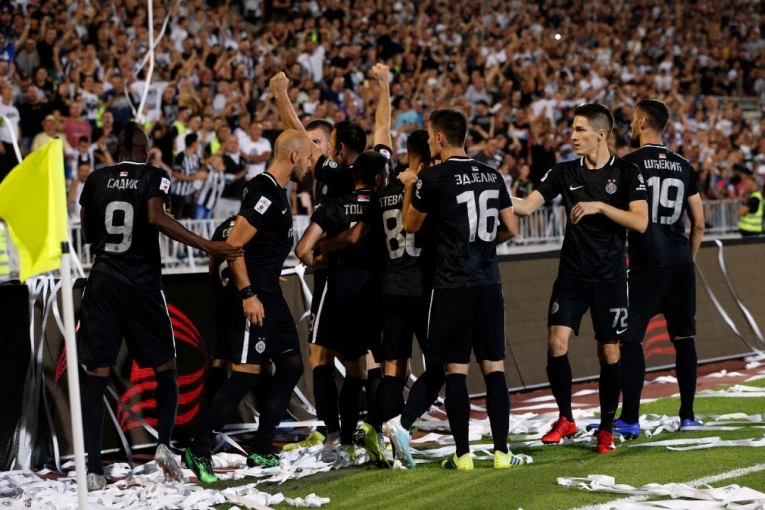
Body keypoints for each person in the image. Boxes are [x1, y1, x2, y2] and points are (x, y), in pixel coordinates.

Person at [77, 121, 242, 491]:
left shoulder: (95, 178)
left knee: (97, 373)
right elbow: (155, 216)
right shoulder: (155, 176)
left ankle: (93, 469)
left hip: (102, 281)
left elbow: (87, 235)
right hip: (141, 284)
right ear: (143, 148)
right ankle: (164, 445)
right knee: (166, 364)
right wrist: (208, 245)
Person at [512, 103, 648, 454]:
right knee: (556, 343)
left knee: (609, 351)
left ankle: (606, 428)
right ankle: (566, 418)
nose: (572, 136)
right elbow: (525, 207)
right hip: (572, 274)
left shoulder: (628, 172)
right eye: (572, 129)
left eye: (580, 129)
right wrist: (490, 189)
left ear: (601, 134)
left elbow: (640, 222)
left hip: (610, 277)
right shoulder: (564, 171)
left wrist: (600, 206)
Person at [271, 69, 390, 457]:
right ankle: (375, 429)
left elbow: (297, 135)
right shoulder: (378, 168)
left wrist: (280, 95)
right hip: (379, 281)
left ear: (336, 148)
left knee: (323, 354)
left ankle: (335, 434)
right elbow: (383, 129)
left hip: (337, 279)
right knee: (366, 359)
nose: (313, 151)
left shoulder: (340, 178)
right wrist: (384, 87)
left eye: (321, 143)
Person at [183, 130, 312, 483]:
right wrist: (248, 293)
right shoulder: (264, 191)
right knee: (244, 375)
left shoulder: (277, 191)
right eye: (307, 158)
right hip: (255, 298)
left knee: (291, 365)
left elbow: (258, 246)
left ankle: (261, 447)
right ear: (293, 156)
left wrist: (267, 273)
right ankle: (199, 449)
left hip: (271, 293)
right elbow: (233, 245)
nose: (309, 165)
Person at [399, 108, 521, 470]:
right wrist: (480, 246)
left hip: (452, 284)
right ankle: (502, 453)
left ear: (439, 137)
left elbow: (410, 225)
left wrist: (409, 186)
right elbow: (511, 228)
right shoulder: (492, 174)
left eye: (430, 135)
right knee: (494, 367)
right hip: (488, 282)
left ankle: (463, 455)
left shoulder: (433, 177)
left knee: (455, 370)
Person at [586, 99, 706, 439]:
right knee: (684, 338)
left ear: (641, 123)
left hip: (646, 263)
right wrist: (688, 259)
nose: (630, 125)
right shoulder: (683, 165)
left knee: (630, 339)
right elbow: (699, 223)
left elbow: (615, 214)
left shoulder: (629, 164)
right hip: (680, 262)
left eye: (632, 120)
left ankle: (630, 418)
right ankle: (688, 416)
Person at [170, 132, 203, 219]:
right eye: (197, 142)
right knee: (177, 218)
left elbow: (201, 168)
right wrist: (194, 178)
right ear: (193, 143)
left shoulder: (196, 157)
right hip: (178, 193)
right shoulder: (181, 156)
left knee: (191, 218)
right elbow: (176, 174)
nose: (199, 145)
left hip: (190, 193)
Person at [737, 170, 763, 236]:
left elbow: (741, 212)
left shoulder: (754, 198)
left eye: (746, 184)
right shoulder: (752, 196)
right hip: (750, 231)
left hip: (751, 232)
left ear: (751, 184)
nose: (744, 187)